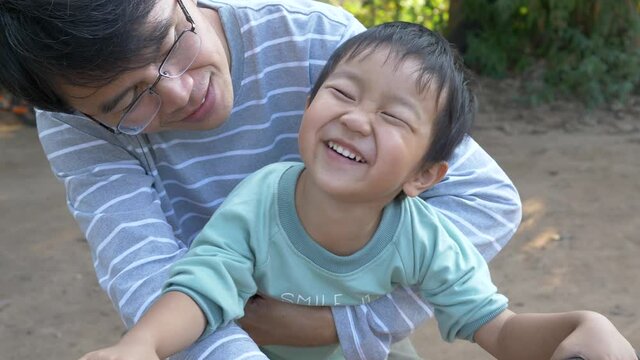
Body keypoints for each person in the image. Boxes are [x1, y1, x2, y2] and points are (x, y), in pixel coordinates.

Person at [79, 22, 637, 360]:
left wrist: (582, 326)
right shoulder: (260, 199)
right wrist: (141, 346)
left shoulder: (425, 238)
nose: (357, 119)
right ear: (308, 104)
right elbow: (201, 290)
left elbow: (498, 329)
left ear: (425, 175)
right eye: (342, 93)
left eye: (394, 117)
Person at [0, 0, 522, 358]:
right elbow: (145, 273)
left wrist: (343, 325)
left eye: (171, 42)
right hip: (202, 335)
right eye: (129, 101)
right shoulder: (77, 126)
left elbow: (484, 202)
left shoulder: (312, 36)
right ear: (76, 110)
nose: (181, 91)